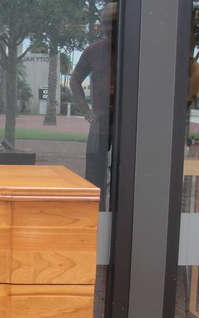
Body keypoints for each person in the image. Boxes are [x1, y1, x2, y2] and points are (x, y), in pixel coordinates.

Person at [70, 3, 117, 204]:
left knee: (126, 179)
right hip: (100, 125)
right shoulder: (93, 51)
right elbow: (74, 80)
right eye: (105, 23)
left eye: (114, 23)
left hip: (129, 127)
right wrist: (86, 111)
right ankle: (98, 222)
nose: (109, 28)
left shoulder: (137, 51)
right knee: (94, 181)